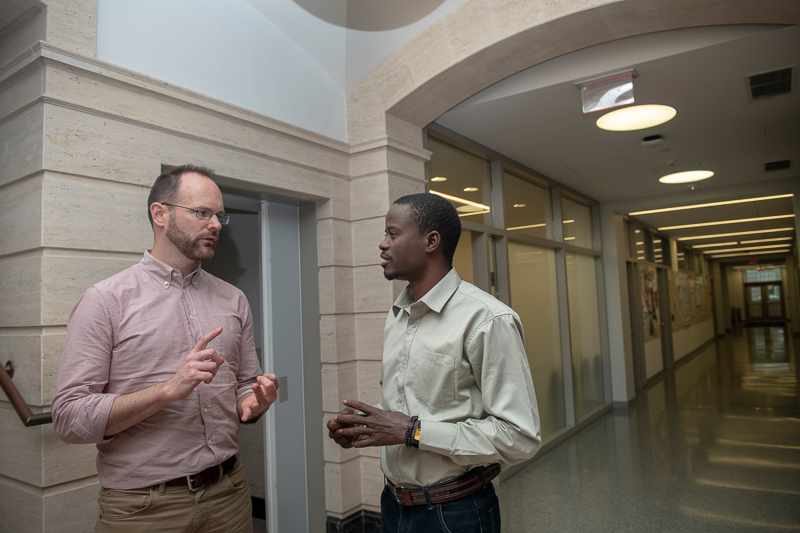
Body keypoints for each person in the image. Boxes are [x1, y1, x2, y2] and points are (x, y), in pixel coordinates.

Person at [52, 164, 278, 533]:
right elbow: (69, 418)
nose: (217, 225)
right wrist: (167, 391)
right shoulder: (105, 301)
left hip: (230, 494)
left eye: (220, 216)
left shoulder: (233, 299)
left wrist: (252, 403)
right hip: (144, 508)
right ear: (160, 214)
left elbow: (244, 385)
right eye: (202, 213)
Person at [327, 192, 541, 532]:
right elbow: (418, 403)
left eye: (392, 233)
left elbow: (520, 437)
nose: (382, 244)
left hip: (455, 512)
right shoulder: (399, 314)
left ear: (431, 241)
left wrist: (412, 431)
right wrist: (365, 424)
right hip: (394, 505)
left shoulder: (487, 320)